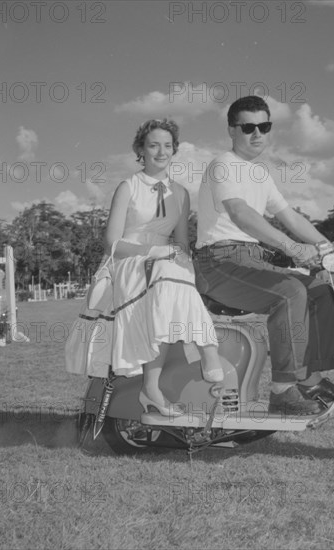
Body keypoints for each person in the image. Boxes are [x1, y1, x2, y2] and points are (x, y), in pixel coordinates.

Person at [194, 95, 334, 416]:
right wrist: (292, 247)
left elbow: (291, 216)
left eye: (264, 126)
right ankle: (282, 391)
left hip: (250, 258)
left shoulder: (260, 173)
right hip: (217, 261)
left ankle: (309, 378)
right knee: (289, 293)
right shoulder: (223, 165)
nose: (257, 133)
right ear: (232, 131)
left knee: (319, 289)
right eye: (248, 127)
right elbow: (240, 213)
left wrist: (330, 248)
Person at [104, 118, 223, 417]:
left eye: (167, 146)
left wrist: (189, 264)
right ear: (140, 149)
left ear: (175, 150)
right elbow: (112, 244)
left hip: (166, 261)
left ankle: (154, 386)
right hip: (129, 259)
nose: (161, 151)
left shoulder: (181, 194)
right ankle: (208, 351)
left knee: (176, 273)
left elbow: (182, 243)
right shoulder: (127, 187)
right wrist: (154, 251)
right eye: (153, 145)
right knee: (168, 272)